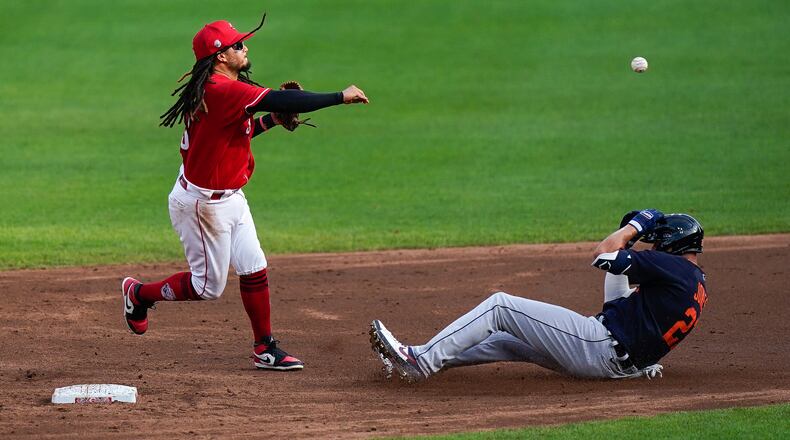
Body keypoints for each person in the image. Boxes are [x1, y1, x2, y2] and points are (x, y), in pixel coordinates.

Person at [121, 16, 369, 371]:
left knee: (255, 267)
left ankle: (264, 347)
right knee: (207, 287)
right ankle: (138, 294)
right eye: (237, 45)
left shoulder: (217, 87)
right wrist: (339, 96)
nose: (245, 47)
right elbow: (284, 98)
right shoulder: (223, 91)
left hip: (229, 196)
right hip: (203, 205)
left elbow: (234, 136)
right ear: (220, 56)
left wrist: (271, 121)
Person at [370, 210, 708, 382]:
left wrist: (635, 225)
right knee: (506, 339)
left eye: (656, 240)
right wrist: (629, 242)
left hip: (598, 347)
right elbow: (619, 304)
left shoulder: (669, 265)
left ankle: (420, 361)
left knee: (501, 306)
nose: (652, 245)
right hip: (625, 363)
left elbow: (603, 255)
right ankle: (420, 362)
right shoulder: (694, 282)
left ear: (670, 243)